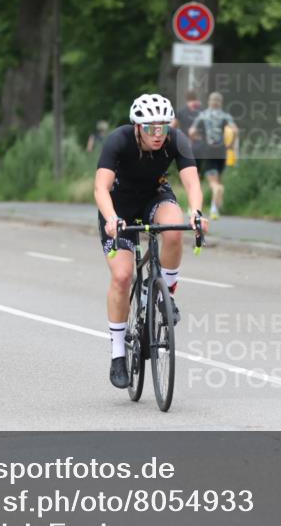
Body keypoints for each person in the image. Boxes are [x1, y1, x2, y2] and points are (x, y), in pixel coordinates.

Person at [95, 93, 208, 389]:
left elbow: (192, 182)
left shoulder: (176, 139)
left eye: (163, 127)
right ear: (137, 127)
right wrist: (110, 218)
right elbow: (100, 188)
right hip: (118, 208)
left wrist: (196, 213)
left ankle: (164, 294)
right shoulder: (118, 141)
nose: (158, 134)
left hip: (154, 197)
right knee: (122, 276)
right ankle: (118, 353)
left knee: (173, 230)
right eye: (150, 128)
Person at [190, 91, 238, 219]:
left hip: (208, 150)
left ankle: (214, 208)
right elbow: (235, 130)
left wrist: (197, 139)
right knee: (218, 178)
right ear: (220, 103)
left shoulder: (203, 115)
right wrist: (231, 145)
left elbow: (192, 131)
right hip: (222, 150)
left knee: (213, 183)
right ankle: (215, 208)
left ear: (209, 102)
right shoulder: (225, 116)